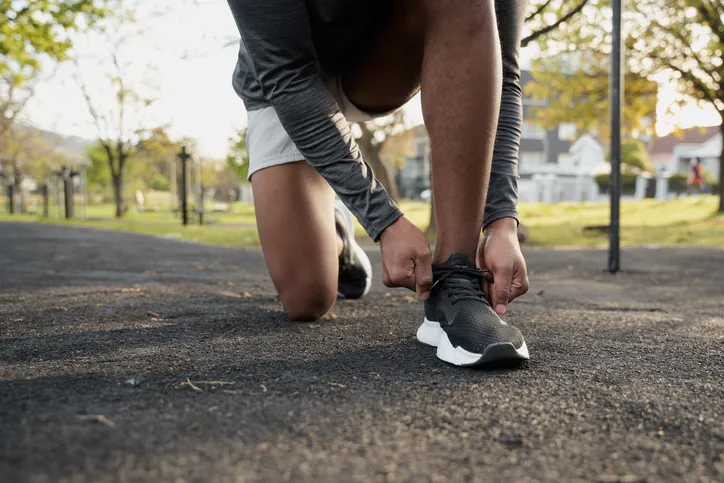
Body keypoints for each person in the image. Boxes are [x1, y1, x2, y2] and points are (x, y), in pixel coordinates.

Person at [226, 0, 530, 366]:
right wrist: (382, 220)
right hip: (289, 80)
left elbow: (505, 73)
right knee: (307, 298)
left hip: (381, 59)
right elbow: (286, 77)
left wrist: (502, 222)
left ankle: (456, 277)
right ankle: (337, 223)